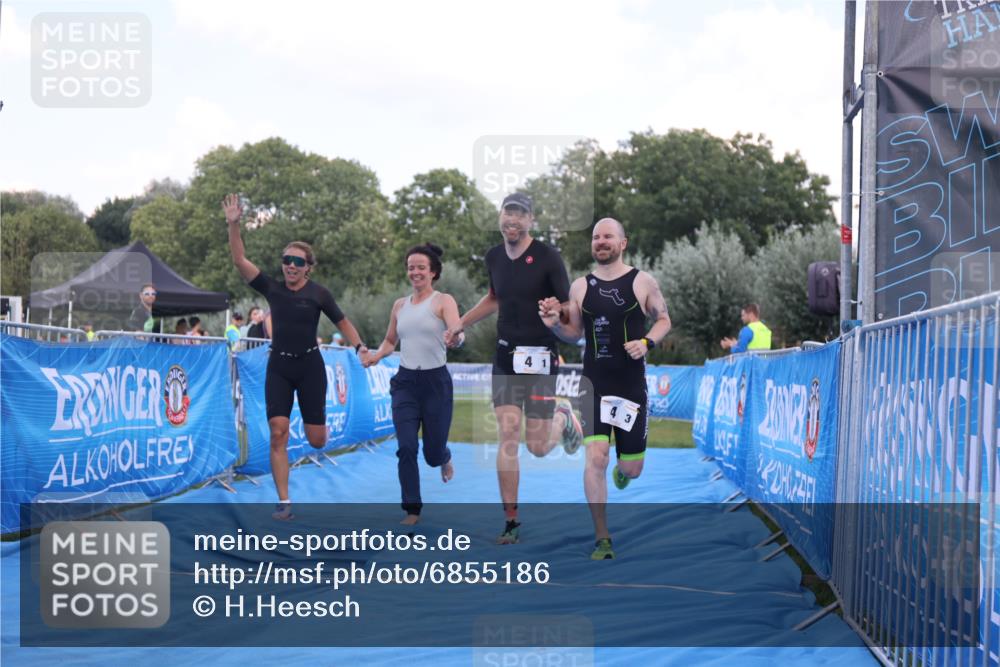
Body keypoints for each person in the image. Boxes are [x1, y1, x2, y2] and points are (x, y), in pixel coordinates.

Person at [444, 192, 582, 545]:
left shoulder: (549, 257)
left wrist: (558, 310)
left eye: (521, 215)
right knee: (507, 435)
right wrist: (461, 322)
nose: (513, 220)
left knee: (536, 446)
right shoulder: (493, 257)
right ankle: (511, 521)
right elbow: (494, 297)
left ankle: (564, 418)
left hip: (539, 361)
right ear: (500, 216)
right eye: (509, 213)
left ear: (531, 220)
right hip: (505, 357)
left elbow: (569, 307)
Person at [223, 193, 368, 520]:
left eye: (298, 261)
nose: (290, 265)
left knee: (317, 441)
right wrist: (234, 225)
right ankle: (284, 501)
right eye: (287, 259)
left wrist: (359, 347)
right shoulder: (272, 289)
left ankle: (313, 426)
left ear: (308, 267)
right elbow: (240, 261)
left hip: (310, 367)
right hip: (279, 366)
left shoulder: (319, 293)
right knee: (278, 431)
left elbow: (342, 321)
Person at [539, 218, 672, 560]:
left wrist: (647, 343)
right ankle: (602, 537)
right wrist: (555, 326)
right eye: (596, 237)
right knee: (595, 457)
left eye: (608, 236)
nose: (601, 241)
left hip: (630, 386)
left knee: (631, 470)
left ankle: (622, 468)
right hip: (594, 384)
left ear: (622, 243)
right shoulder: (581, 287)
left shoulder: (643, 282)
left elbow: (664, 320)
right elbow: (575, 334)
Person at [366, 243, 462, 525]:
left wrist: (455, 338)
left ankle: (444, 456)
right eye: (411, 267)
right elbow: (389, 340)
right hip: (406, 383)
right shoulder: (399, 305)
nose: (415, 272)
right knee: (407, 446)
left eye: (421, 267)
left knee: (431, 454)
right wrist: (376, 355)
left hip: (436, 383)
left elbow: (456, 329)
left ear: (433, 272)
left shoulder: (444, 300)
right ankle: (412, 509)